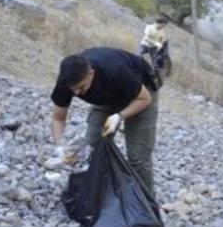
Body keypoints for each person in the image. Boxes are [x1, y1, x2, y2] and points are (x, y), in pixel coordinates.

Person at [51, 48, 161, 196]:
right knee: (91, 149)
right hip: (107, 97)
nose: (77, 93)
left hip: (141, 94)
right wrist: (60, 146)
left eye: (81, 87)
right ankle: (96, 197)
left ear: (91, 74)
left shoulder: (115, 70)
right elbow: (58, 118)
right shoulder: (67, 82)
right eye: (73, 89)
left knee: (138, 158)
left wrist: (119, 116)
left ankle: (147, 206)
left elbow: (144, 99)